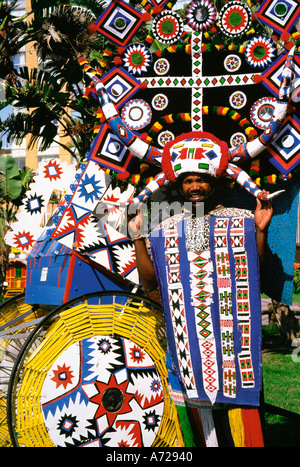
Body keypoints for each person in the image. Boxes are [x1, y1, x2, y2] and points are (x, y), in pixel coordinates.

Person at [128, 132, 273, 447]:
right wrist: (137, 238)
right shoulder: (164, 230)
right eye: (188, 180)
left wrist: (260, 230)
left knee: (242, 428)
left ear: (215, 182)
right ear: (178, 186)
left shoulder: (242, 220)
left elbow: (254, 271)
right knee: (199, 430)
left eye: (202, 179)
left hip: (234, 351)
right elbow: (152, 284)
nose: (195, 186)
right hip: (186, 351)